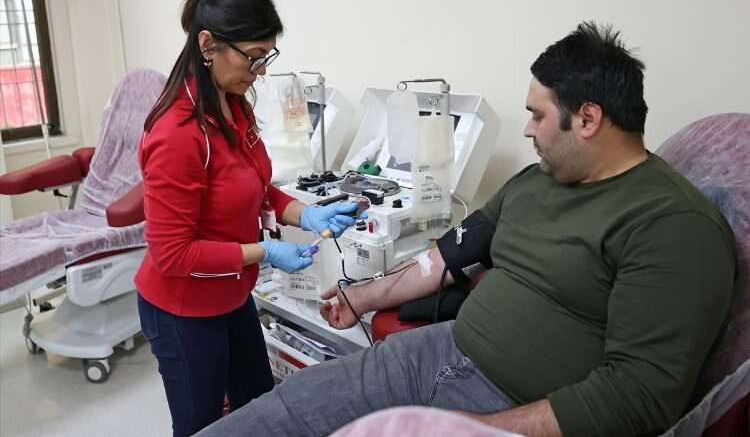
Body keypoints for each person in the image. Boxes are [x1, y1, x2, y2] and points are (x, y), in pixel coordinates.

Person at [195, 22, 736, 437]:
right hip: (436, 352)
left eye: (538, 115)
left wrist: (475, 429)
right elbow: (449, 254)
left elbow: (637, 396)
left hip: (512, 408)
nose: (527, 130)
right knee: (282, 414)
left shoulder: (673, 227)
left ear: (588, 119)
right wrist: (363, 295)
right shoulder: (538, 180)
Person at [135, 0, 363, 437]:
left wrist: (309, 213)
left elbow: (254, 186)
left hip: (231, 292)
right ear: (208, 44)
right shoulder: (177, 134)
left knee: (258, 407)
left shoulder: (234, 104)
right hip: (182, 308)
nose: (259, 71)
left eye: (267, 57)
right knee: (203, 427)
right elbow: (173, 254)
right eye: (253, 56)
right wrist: (265, 251)